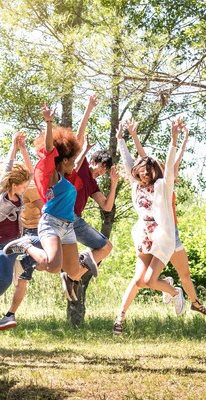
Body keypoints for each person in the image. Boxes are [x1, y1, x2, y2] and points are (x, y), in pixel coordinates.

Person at [125, 119, 206, 316]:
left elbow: (174, 160)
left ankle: (195, 302)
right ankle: (170, 289)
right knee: (146, 278)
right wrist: (133, 136)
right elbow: (143, 158)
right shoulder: (152, 183)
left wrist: (183, 139)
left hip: (171, 232)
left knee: (185, 274)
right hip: (155, 234)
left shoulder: (166, 183)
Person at [3, 103, 87, 302]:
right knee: (53, 266)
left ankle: (83, 259)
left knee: (73, 270)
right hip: (51, 223)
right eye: (72, 160)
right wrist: (49, 122)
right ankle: (25, 245)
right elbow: (50, 149)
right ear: (63, 160)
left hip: (67, 226)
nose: (74, 163)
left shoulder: (67, 179)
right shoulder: (52, 176)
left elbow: (78, 150)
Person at [113, 119, 186, 336]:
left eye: (149, 171)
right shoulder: (136, 187)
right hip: (144, 236)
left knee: (149, 280)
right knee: (138, 281)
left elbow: (171, 166)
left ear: (155, 172)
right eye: (142, 171)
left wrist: (174, 140)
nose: (145, 174)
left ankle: (174, 292)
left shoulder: (164, 186)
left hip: (163, 237)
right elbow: (127, 164)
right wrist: (120, 140)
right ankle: (120, 317)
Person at [66, 94, 118, 280]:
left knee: (106, 247)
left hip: (75, 221)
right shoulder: (80, 166)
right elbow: (78, 139)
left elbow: (106, 206)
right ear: (94, 161)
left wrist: (113, 184)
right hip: (62, 214)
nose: (102, 172)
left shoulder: (93, 184)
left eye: (105, 171)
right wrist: (89, 108)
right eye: (101, 167)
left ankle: (73, 275)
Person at [0, 132, 41, 310]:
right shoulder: (0, 194)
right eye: (23, 186)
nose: (26, 188)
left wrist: (23, 149)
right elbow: (7, 167)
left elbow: (31, 173)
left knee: (46, 242)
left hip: (18, 241)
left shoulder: (21, 193)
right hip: (3, 243)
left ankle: (21, 265)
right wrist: (13, 146)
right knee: (4, 280)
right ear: (14, 185)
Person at [0, 180, 43, 330]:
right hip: (29, 233)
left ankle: (9, 314)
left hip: (27, 233)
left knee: (32, 272)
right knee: (20, 278)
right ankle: (8, 314)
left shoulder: (28, 189)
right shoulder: (28, 188)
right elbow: (45, 211)